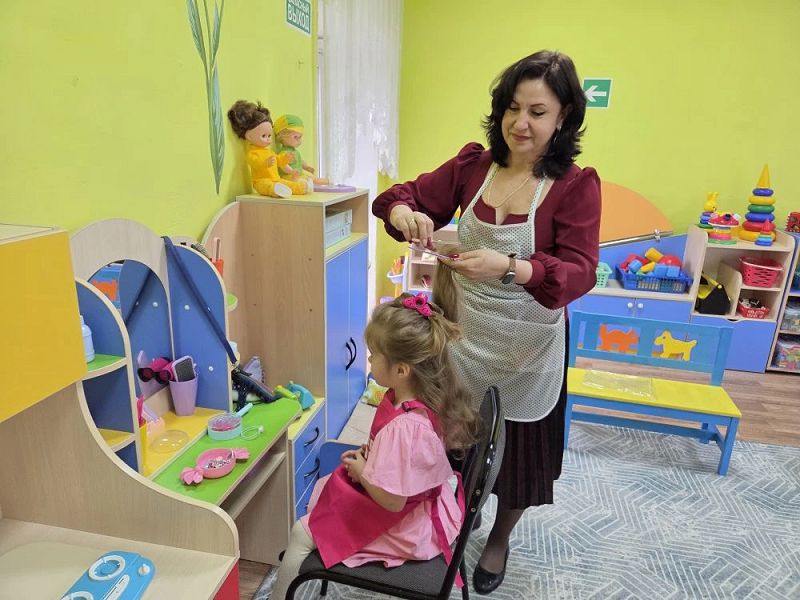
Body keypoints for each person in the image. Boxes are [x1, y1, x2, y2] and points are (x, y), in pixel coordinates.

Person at [372, 50, 601, 594]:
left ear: (564, 116)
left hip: (529, 348)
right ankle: (457, 509)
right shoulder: (475, 167)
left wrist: (511, 267)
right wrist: (405, 212)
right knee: (454, 439)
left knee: (519, 454)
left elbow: (580, 272)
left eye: (538, 112)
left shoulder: (574, 186)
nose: (520, 123)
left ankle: (499, 537)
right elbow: (404, 196)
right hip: (464, 334)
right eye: (512, 108)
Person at [269, 293, 479, 599]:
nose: (368, 360)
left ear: (401, 370)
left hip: (407, 525)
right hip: (419, 509)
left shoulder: (405, 428)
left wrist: (364, 472)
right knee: (327, 499)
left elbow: (393, 502)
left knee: (302, 532)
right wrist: (374, 459)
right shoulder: (420, 399)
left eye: (374, 355)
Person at [226, 100, 308, 197]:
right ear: (249, 137)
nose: (268, 140)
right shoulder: (252, 153)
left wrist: (285, 158)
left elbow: (278, 160)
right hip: (261, 181)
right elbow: (255, 162)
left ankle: (301, 188)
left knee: (288, 184)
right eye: (264, 136)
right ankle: (275, 191)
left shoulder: (269, 151)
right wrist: (265, 163)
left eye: (269, 136)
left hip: (276, 179)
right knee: (267, 186)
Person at [273, 113, 331, 190]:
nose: (299, 140)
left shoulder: (294, 151)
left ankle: (327, 181)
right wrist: (291, 171)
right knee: (302, 181)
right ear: (282, 137)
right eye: (295, 137)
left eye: (300, 137)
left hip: (299, 175)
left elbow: (300, 161)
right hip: (289, 177)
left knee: (311, 178)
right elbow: (283, 164)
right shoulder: (284, 153)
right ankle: (309, 185)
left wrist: (306, 167)